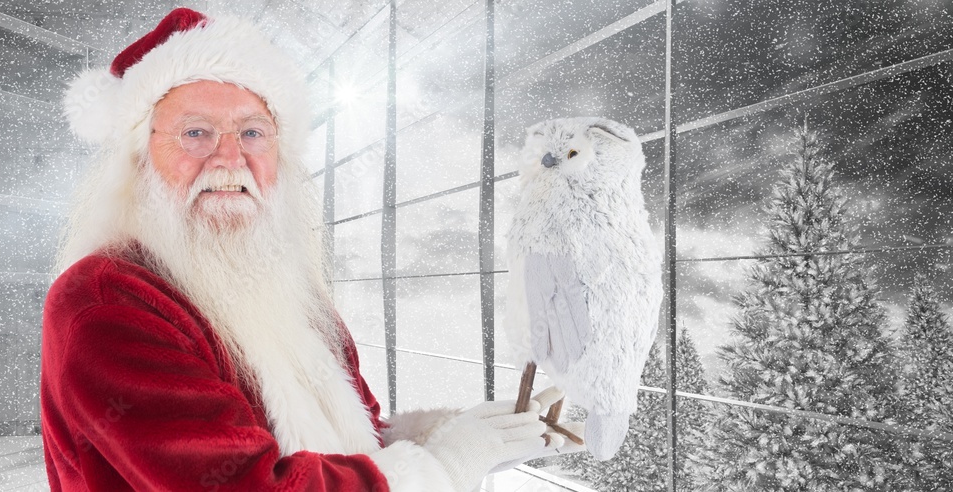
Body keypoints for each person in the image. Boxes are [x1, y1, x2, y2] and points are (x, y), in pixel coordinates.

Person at [40, 8, 584, 491]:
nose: (229, 158)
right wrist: (443, 466)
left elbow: (354, 438)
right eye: (196, 132)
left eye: (253, 133)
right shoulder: (106, 301)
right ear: (140, 159)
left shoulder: (290, 294)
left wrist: (465, 436)